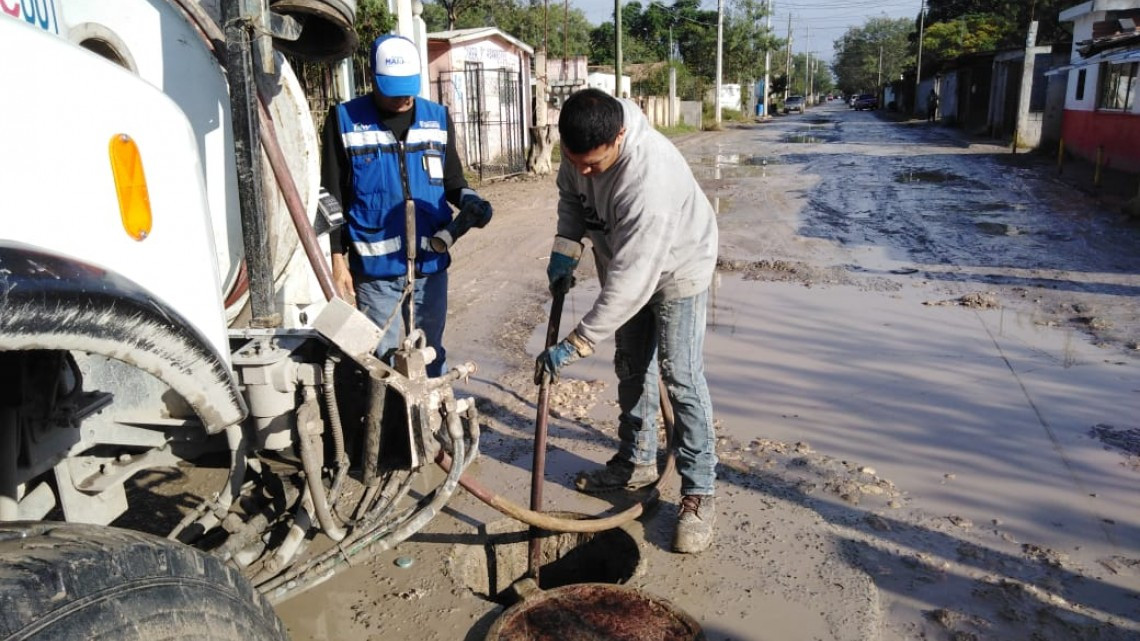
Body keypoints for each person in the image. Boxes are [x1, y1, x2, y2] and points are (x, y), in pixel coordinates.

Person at [534, 88, 720, 554]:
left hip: (678, 267)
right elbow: (571, 199)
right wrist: (565, 248)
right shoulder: (579, 151)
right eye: (575, 161)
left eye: (594, 165)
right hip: (625, 263)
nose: (583, 172)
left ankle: (699, 492)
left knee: (679, 375)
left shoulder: (648, 178)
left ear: (620, 137)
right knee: (631, 365)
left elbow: (633, 282)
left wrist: (577, 342)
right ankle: (636, 462)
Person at [320, 35, 493, 377]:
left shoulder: (437, 118)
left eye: (409, 88)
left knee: (430, 353)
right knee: (381, 361)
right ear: (372, 77)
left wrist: (472, 200)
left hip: (430, 264)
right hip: (376, 270)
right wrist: (338, 261)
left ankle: (431, 425)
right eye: (394, 89)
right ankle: (390, 430)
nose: (404, 97)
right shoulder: (344, 120)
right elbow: (331, 196)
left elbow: (453, 182)